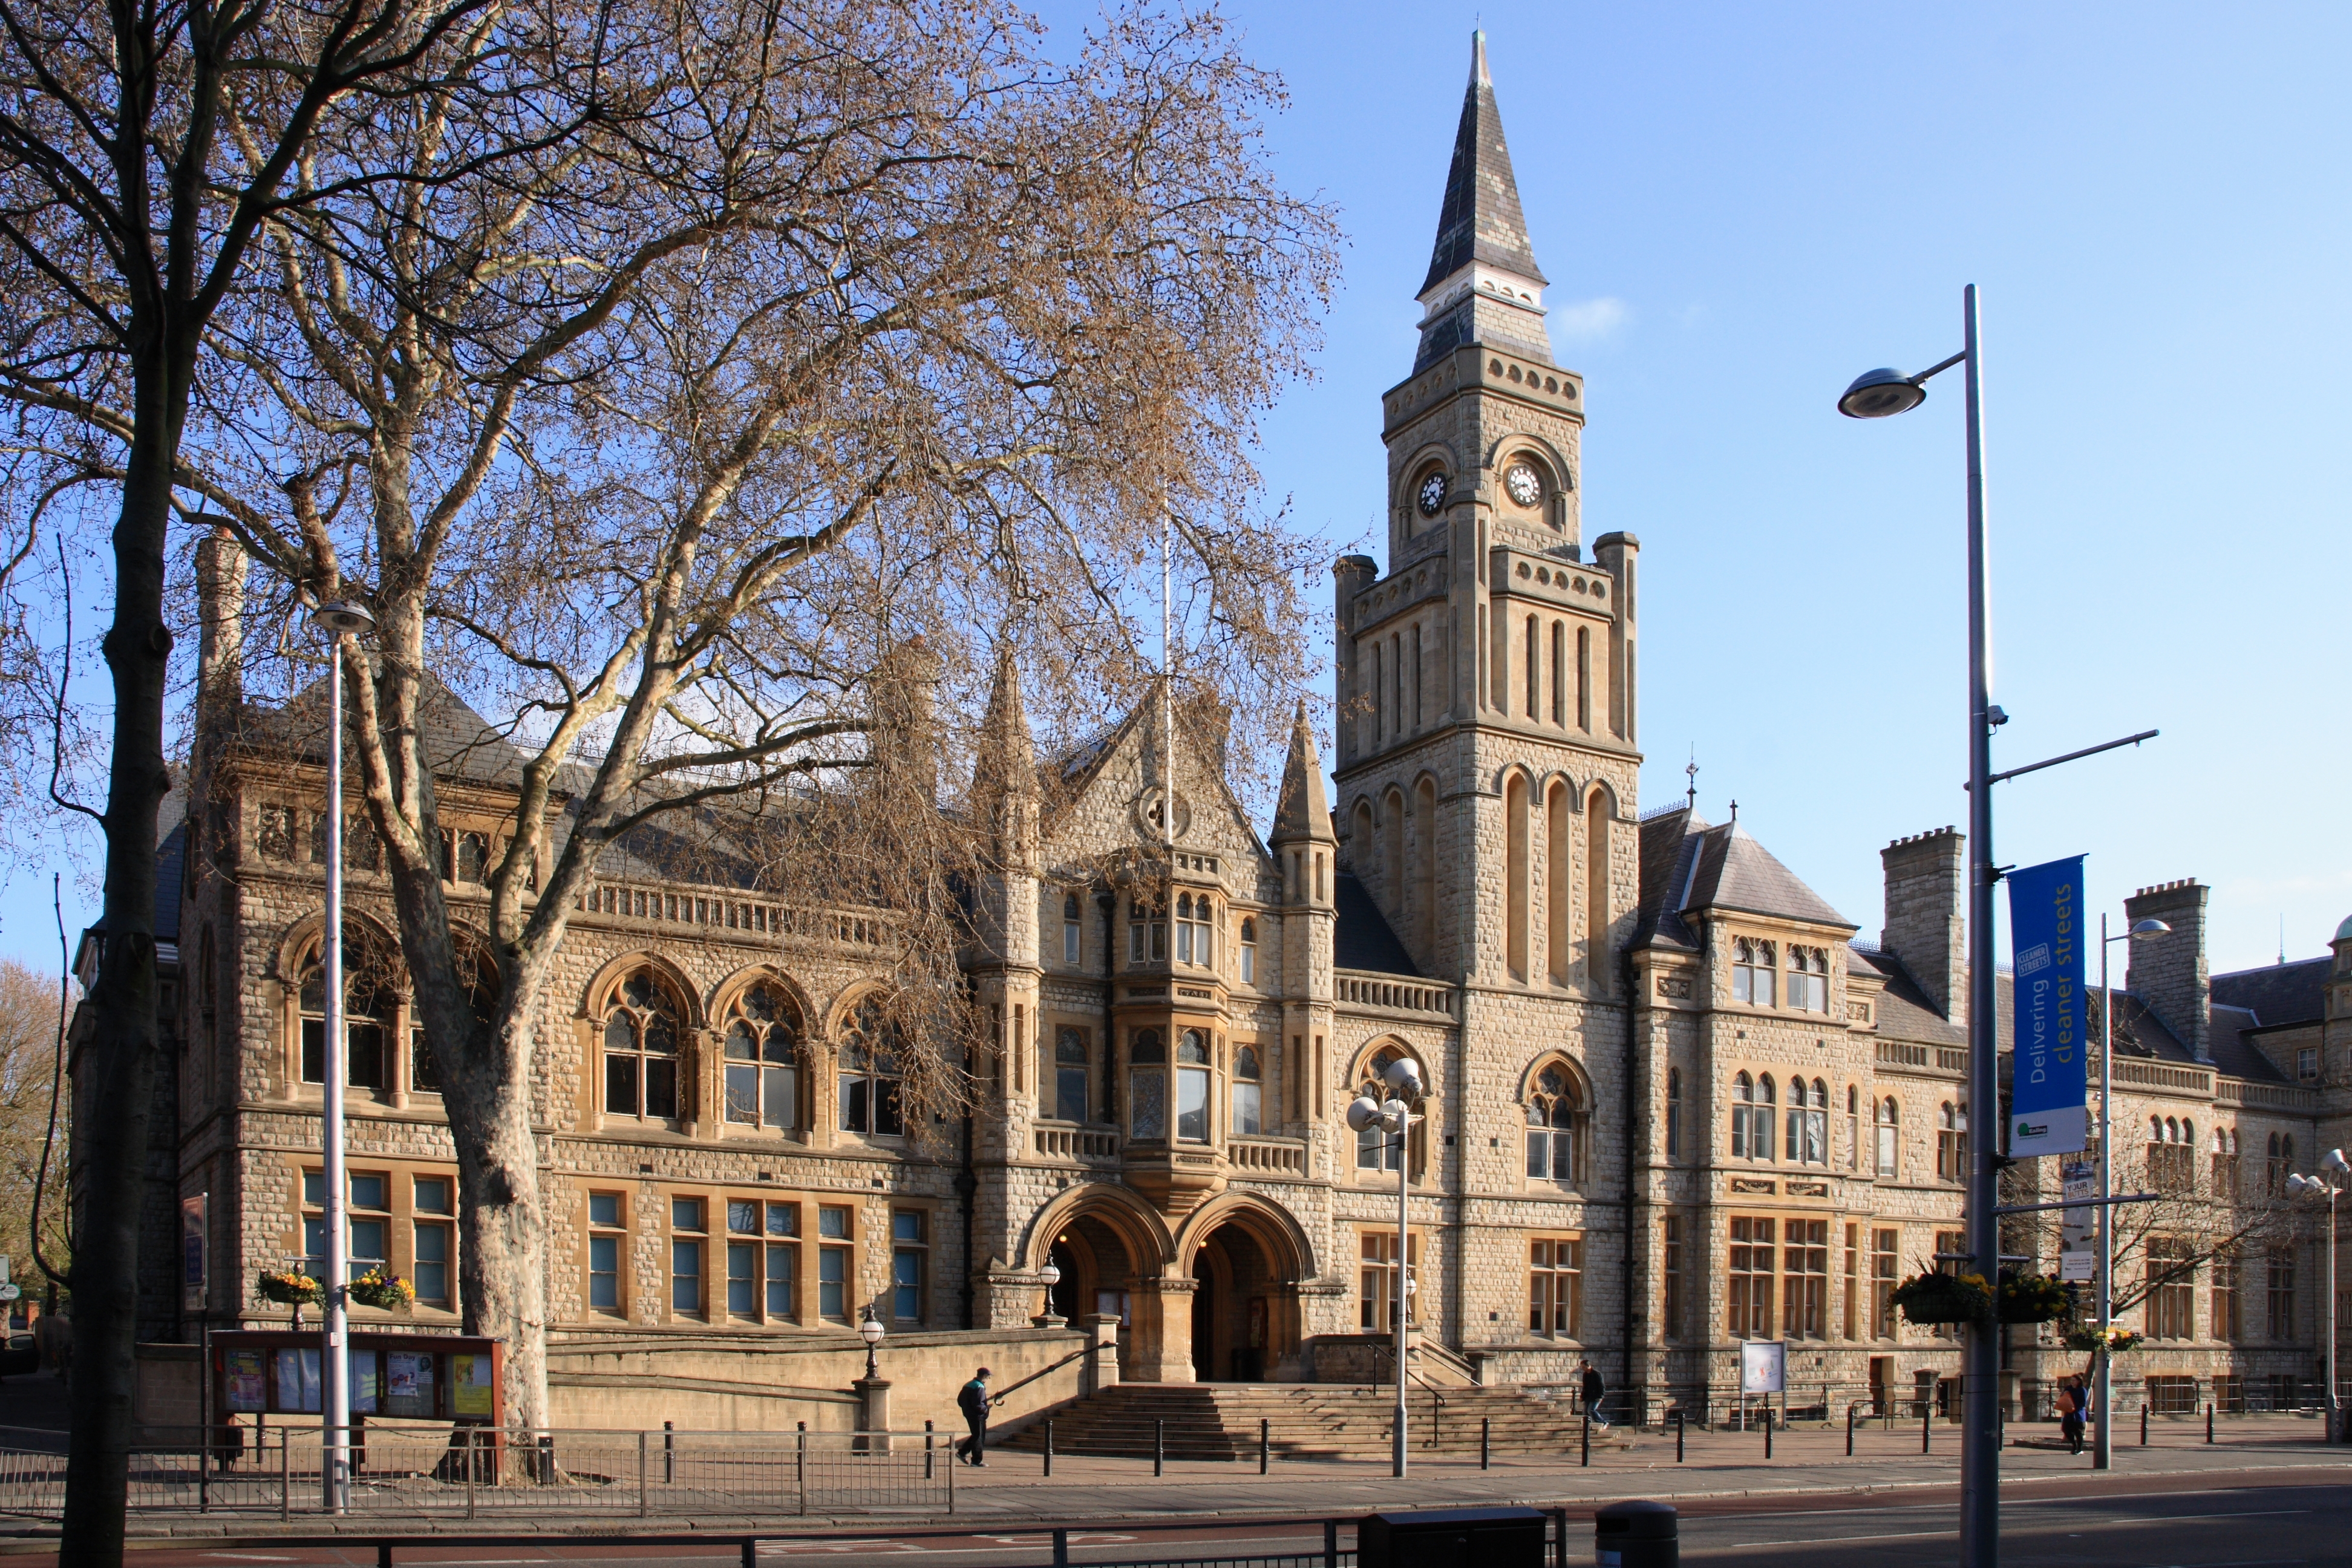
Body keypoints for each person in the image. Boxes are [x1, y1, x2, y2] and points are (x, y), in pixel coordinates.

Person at [956, 1366, 995, 1466]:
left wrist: (967, 1409)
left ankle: (963, 1452)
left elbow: (960, 1400)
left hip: (969, 1414)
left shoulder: (968, 1384)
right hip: (978, 1416)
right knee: (979, 1437)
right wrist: (986, 1409)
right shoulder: (979, 1387)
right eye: (988, 1377)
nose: (988, 1379)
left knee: (976, 1435)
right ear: (984, 1376)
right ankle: (976, 1460)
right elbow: (979, 1403)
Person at [2057, 1376, 2086, 1455]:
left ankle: (2079, 1449)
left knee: (2078, 1432)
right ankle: (2074, 1445)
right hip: (2069, 1412)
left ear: (2079, 1381)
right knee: (2065, 1429)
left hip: (2078, 1414)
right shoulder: (2068, 1388)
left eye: (2074, 1380)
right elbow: (2063, 1397)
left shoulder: (2082, 1390)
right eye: (2071, 1380)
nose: (2072, 1382)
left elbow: (2083, 1403)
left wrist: (2075, 1408)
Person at [1579, 1359, 1607, 1429]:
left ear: (1588, 1366)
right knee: (1585, 1412)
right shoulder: (1585, 1375)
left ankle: (1603, 1422)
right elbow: (1585, 1386)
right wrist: (1582, 1396)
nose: (1583, 1369)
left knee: (1591, 1410)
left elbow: (1602, 1386)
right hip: (1588, 1396)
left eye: (1584, 1367)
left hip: (1596, 1396)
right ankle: (1587, 1427)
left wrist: (1600, 1396)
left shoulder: (1597, 1374)